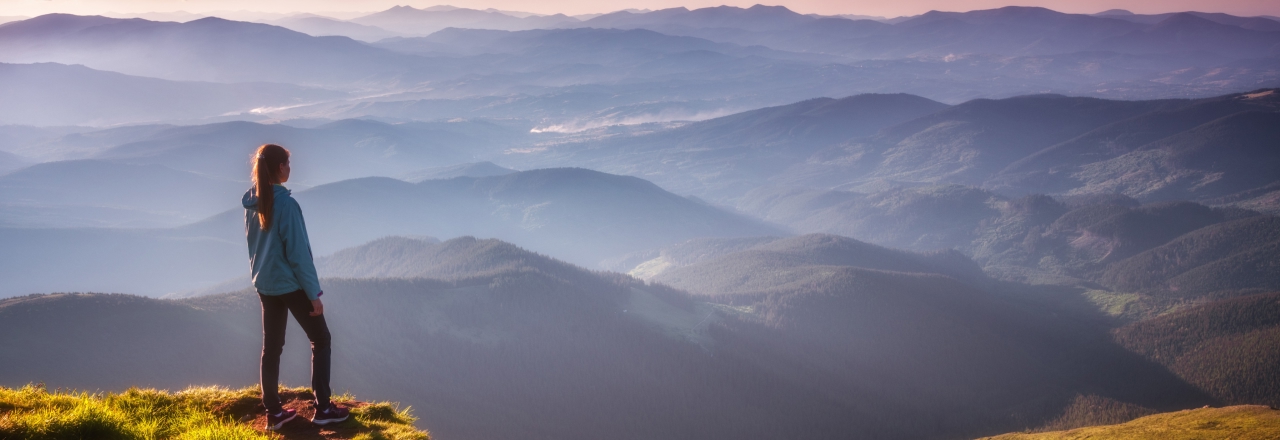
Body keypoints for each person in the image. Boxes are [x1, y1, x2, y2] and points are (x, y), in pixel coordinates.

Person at [242, 144, 349, 431]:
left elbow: (254, 246)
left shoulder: (253, 202)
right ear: (280, 168)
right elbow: (299, 255)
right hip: (290, 284)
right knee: (321, 338)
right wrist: (314, 295)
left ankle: (274, 413)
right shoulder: (286, 205)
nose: (291, 169)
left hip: (265, 284)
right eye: (288, 164)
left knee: (272, 348)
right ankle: (324, 408)